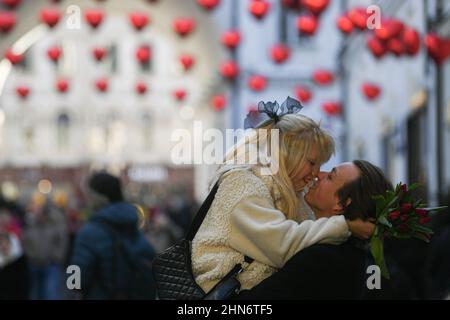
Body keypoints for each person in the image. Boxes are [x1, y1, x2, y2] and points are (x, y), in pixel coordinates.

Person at [191, 98, 374, 294]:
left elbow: (309, 239)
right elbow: (283, 246)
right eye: (312, 163)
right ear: (286, 154)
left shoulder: (290, 193)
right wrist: (346, 225)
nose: (316, 173)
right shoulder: (242, 183)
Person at [235, 160, 394, 299]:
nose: (320, 174)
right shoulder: (365, 259)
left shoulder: (321, 259)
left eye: (331, 177)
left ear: (341, 204)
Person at [70, 172, 156, 299]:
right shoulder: (132, 223)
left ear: (98, 197)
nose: (86, 198)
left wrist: (71, 285)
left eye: (88, 194)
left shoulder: (90, 231)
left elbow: (76, 280)